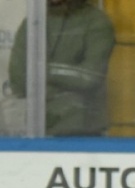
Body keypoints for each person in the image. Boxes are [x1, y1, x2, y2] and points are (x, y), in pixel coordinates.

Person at [8, 0, 115, 137]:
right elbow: (18, 81)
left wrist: (42, 72)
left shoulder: (96, 21)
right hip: (38, 129)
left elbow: (90, 78)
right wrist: (65, 84)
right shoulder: (33, 21)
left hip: (83, 132)